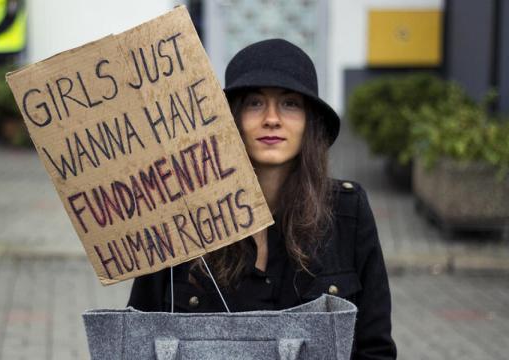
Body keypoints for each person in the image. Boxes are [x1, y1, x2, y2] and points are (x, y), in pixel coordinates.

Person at [128, 39, 397, 359]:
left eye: (290, 103)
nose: (271, 118)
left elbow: (375, 348)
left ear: (309, 121)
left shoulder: (347, 212)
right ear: (232, 119)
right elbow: (136, 340)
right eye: (255, 103)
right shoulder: (180, 216)